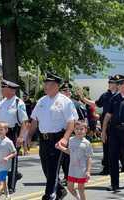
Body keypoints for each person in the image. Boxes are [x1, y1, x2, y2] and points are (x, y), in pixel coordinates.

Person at [29, 72, 78, 200]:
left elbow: (71, 122)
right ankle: (60, 190)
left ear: (56, 86)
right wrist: (28, 137)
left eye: (49, 84)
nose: (46, 87)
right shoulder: (41, 101)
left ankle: (49, 195)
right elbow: (34, 120)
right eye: (45, 84)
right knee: (46, 167)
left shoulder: (65, 101)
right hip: (43, 139)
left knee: (53, 167)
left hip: (58, 138)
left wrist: (65, 138)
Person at [56, 120, 92, 200]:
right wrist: (61, 148)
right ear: (74, 130)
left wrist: (88, 171)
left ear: (85, 130)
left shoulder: (87, 143)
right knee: (69, 187)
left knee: (81, 189)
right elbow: (70, 152)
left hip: (82, 170)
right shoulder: (71, 140)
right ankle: (78, 197)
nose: (79, 131)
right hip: (72, 169)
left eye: (81, 129)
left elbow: (89, 158)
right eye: (77, 129)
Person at [60, 81, 87, 186]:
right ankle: (68, 176)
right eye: (64, 90)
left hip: (72, 134)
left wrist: (80, 134)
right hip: (61, 133)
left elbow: (81, 120)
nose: (67, 92)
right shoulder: (57, 103)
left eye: (68, 90)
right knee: (65, 158)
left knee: (70, 157)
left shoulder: (76, 104)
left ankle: (71, 177)